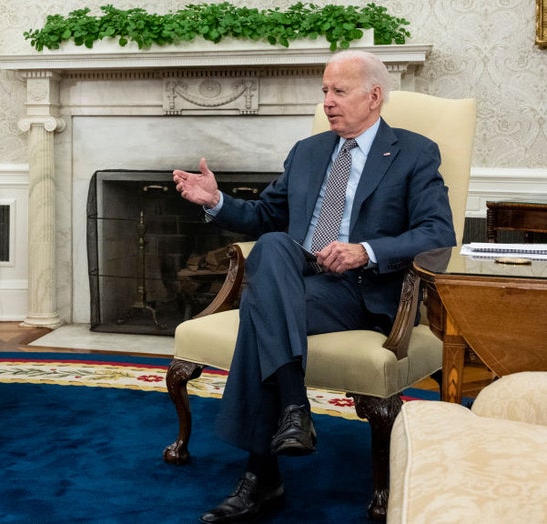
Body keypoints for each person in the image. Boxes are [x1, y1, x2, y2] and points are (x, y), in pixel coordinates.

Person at [172, 50, 456, 523]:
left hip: (360, 289)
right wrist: (217, 201)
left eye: (339, 91)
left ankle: (261, 475)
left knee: (261, 310)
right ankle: (294, 406)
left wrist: (364, 249)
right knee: (277, 245)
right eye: (324, 91)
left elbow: (436, 233)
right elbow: (265, 216)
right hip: (297, 277)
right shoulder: (308, 152)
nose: (327, 102)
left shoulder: (414, 151)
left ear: (374, 96)